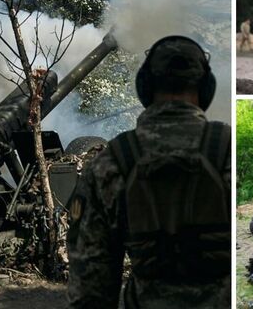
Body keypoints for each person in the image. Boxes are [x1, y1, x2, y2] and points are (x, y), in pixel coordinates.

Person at [67, 36, 231, 308]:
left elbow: (90, 290)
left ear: (144, 86)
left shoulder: (112, 163)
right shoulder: (228, 150)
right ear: (206, 87)